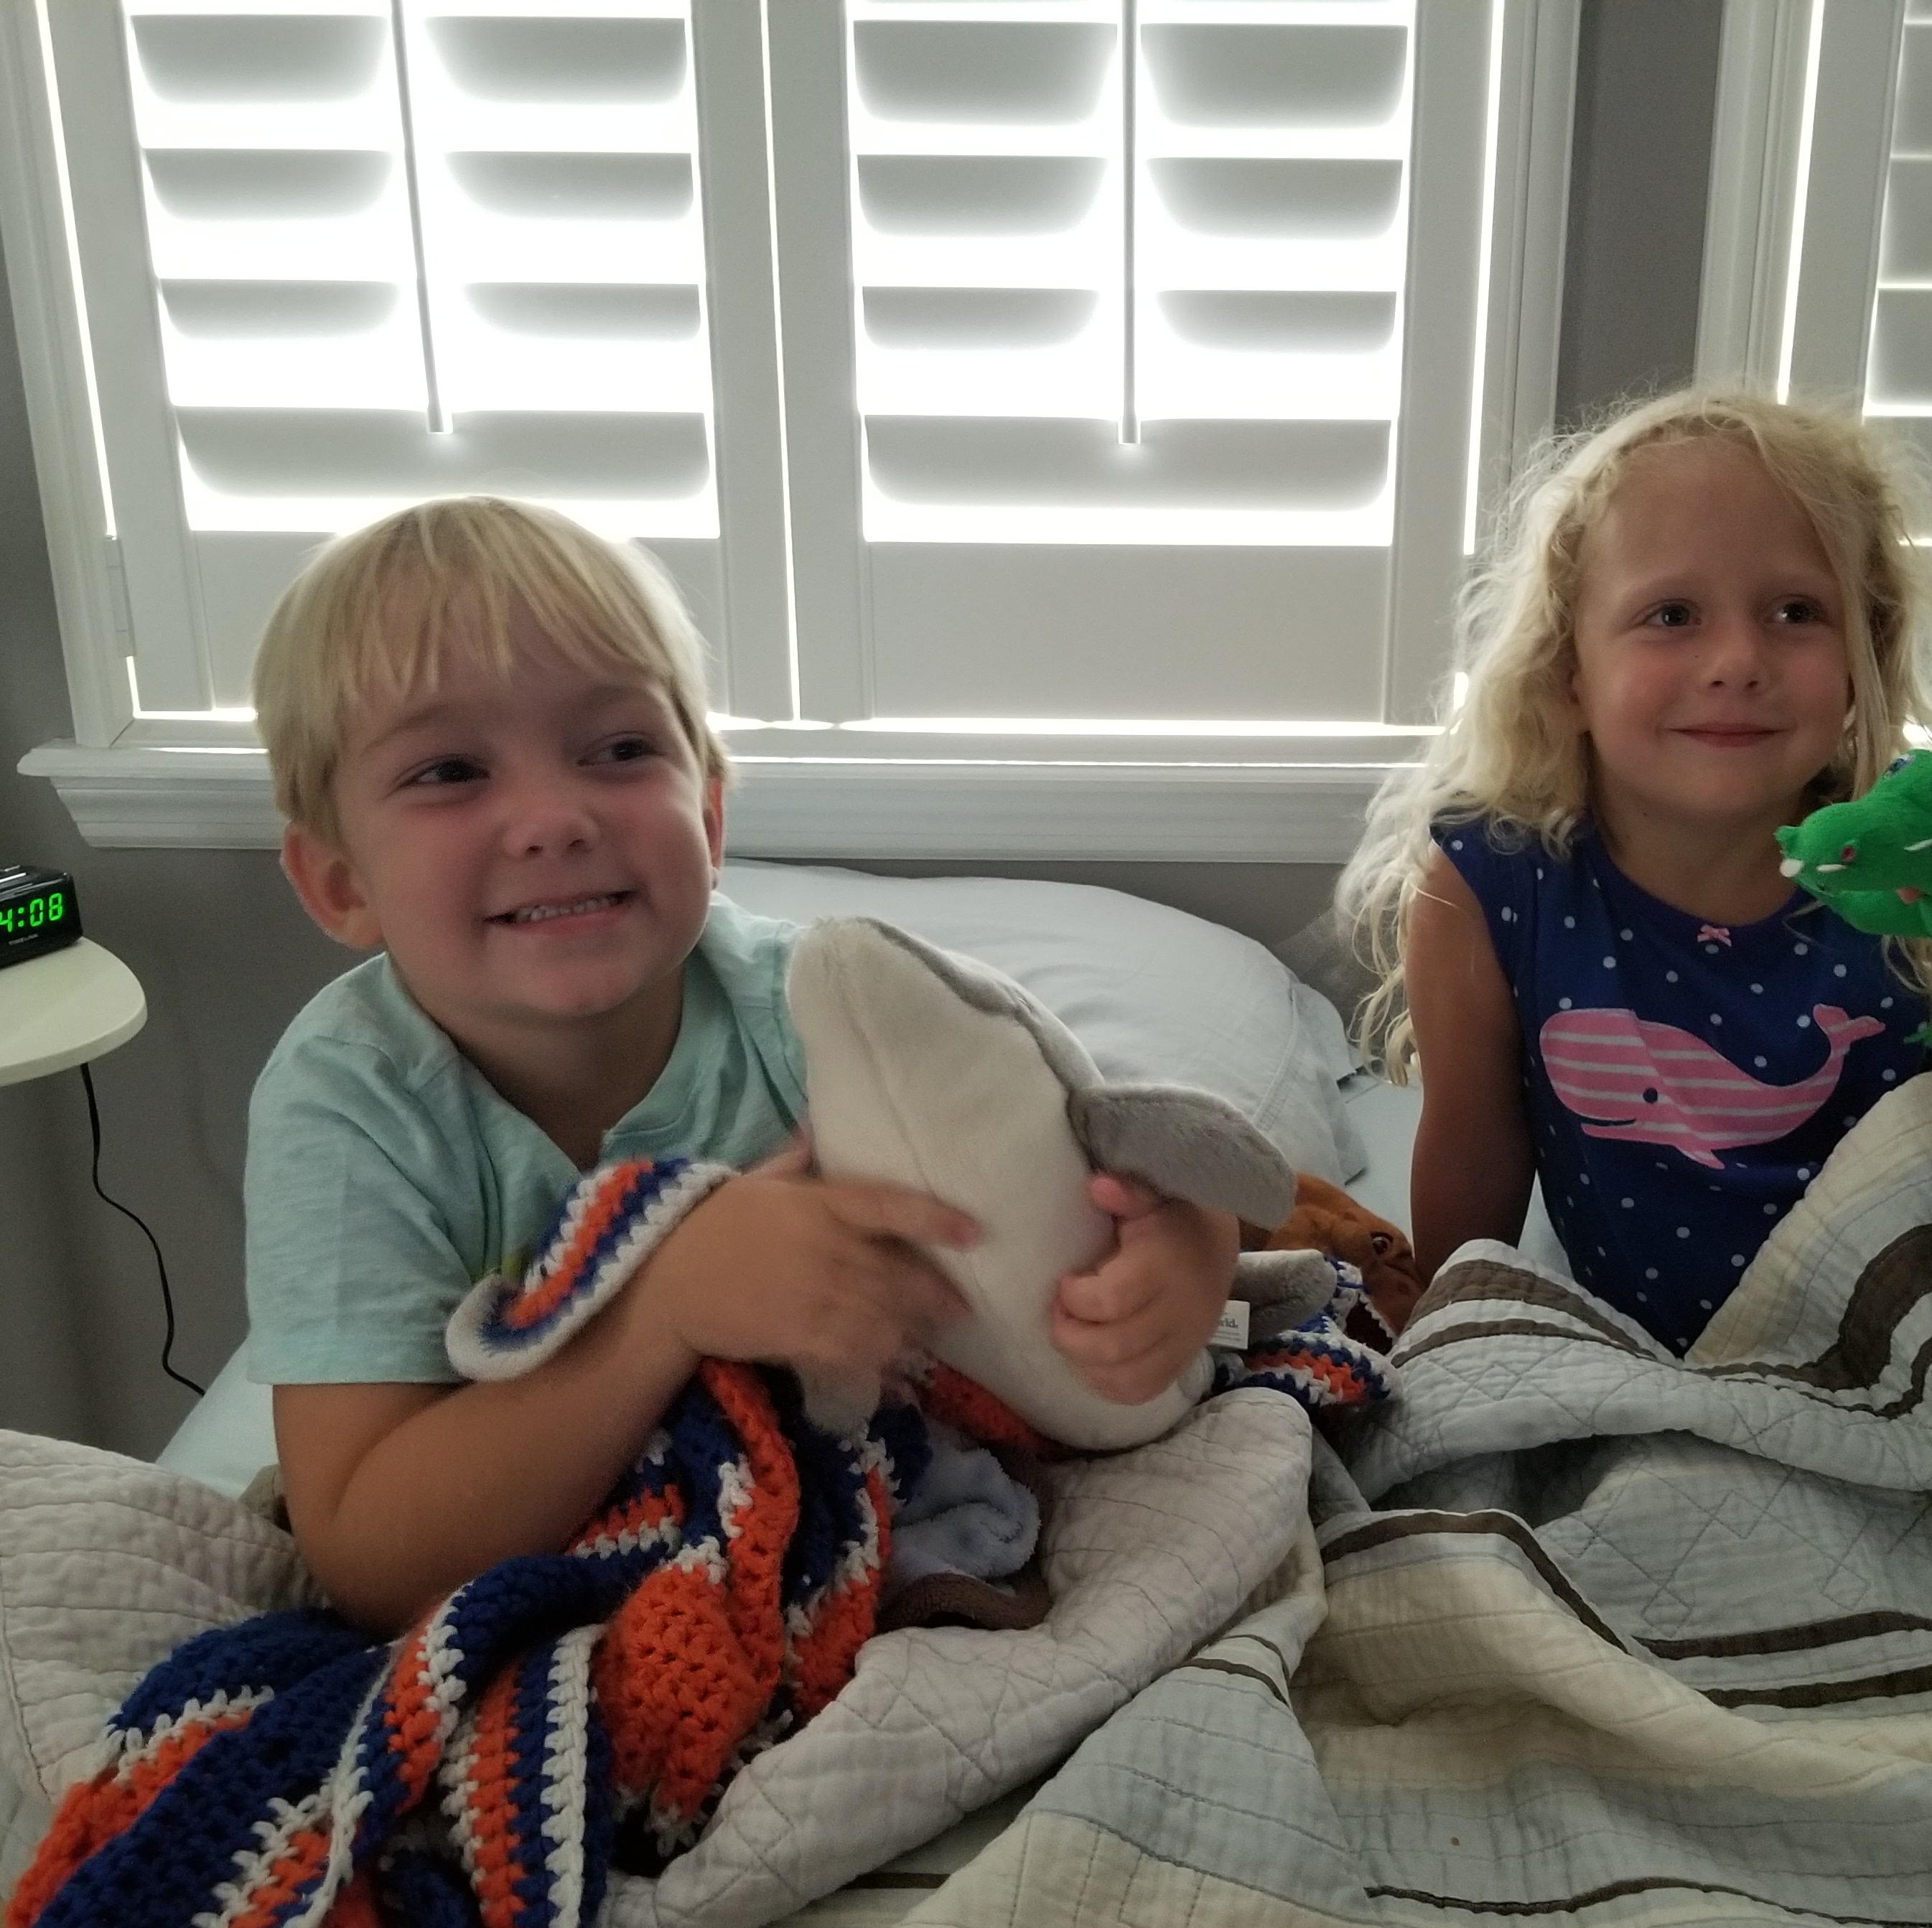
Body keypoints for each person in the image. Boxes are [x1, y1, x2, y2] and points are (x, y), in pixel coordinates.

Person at [243, 497, 1239, 1632]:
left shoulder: (833, 1013)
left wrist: (1181, 1264)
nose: (554, 818)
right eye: (450, 771)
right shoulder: (352, 1105)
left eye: (620, 750)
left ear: (710, 818)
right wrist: (664, 1314)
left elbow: (1095, 1180)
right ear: (341, 884)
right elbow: (366, 1553)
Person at [1338, 388, 1932, 1354]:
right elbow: (1475, 1149)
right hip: (1644, 1355)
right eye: (1672, 614)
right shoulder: (1494, 878)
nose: (1738, 659)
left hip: (1920, 1330)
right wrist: (1446, 1350)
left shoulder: (1913, 852)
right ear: (1569, 672)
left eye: (1795, 611)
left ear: (1864, 659)